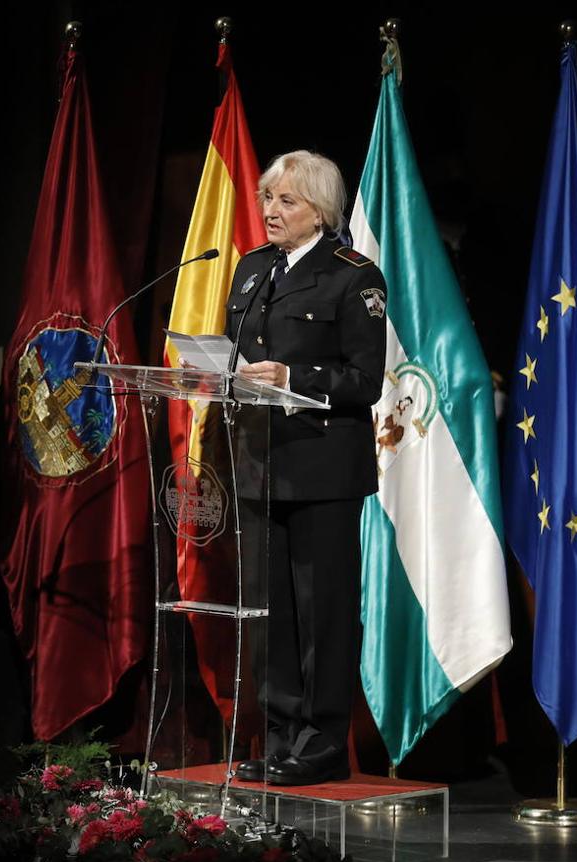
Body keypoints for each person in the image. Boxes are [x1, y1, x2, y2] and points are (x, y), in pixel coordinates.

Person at [225, 150, 387, 786]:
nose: (270, 210)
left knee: (322, 613)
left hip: (322, 469)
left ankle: (321, 746)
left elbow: (364, 380)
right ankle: (282, 740)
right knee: (272, 615)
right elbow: (241, 352)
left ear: (319, 210)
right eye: (268, 197)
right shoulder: (251, 268)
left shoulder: (353, 276)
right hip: (259, 464)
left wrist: (296, 377)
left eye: (286, 200)